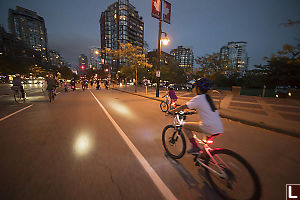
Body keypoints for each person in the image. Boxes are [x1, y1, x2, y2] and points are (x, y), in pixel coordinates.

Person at [170, 78, 224, 154]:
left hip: (208, 126)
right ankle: (205, 157)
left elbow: (184, 106)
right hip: (218, 127)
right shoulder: (208, 97)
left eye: (194, 87)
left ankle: (195, 147)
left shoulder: (198, 98)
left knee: (185, 126)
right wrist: (192, 112)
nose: (193, 89)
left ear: (198, 89)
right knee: (205, 144)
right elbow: (204, 109)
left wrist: (173, 111)